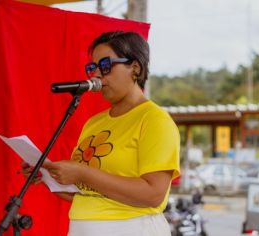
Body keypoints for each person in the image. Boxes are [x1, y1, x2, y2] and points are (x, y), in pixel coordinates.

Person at [22, 31, 180, 236]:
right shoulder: (94, 123)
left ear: (135, 68)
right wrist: (46, 177)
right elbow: (88, 192)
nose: (96, 75)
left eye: (105, 65)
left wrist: (83, 172)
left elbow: (153, 194)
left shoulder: (154, 120)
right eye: (92, 67)